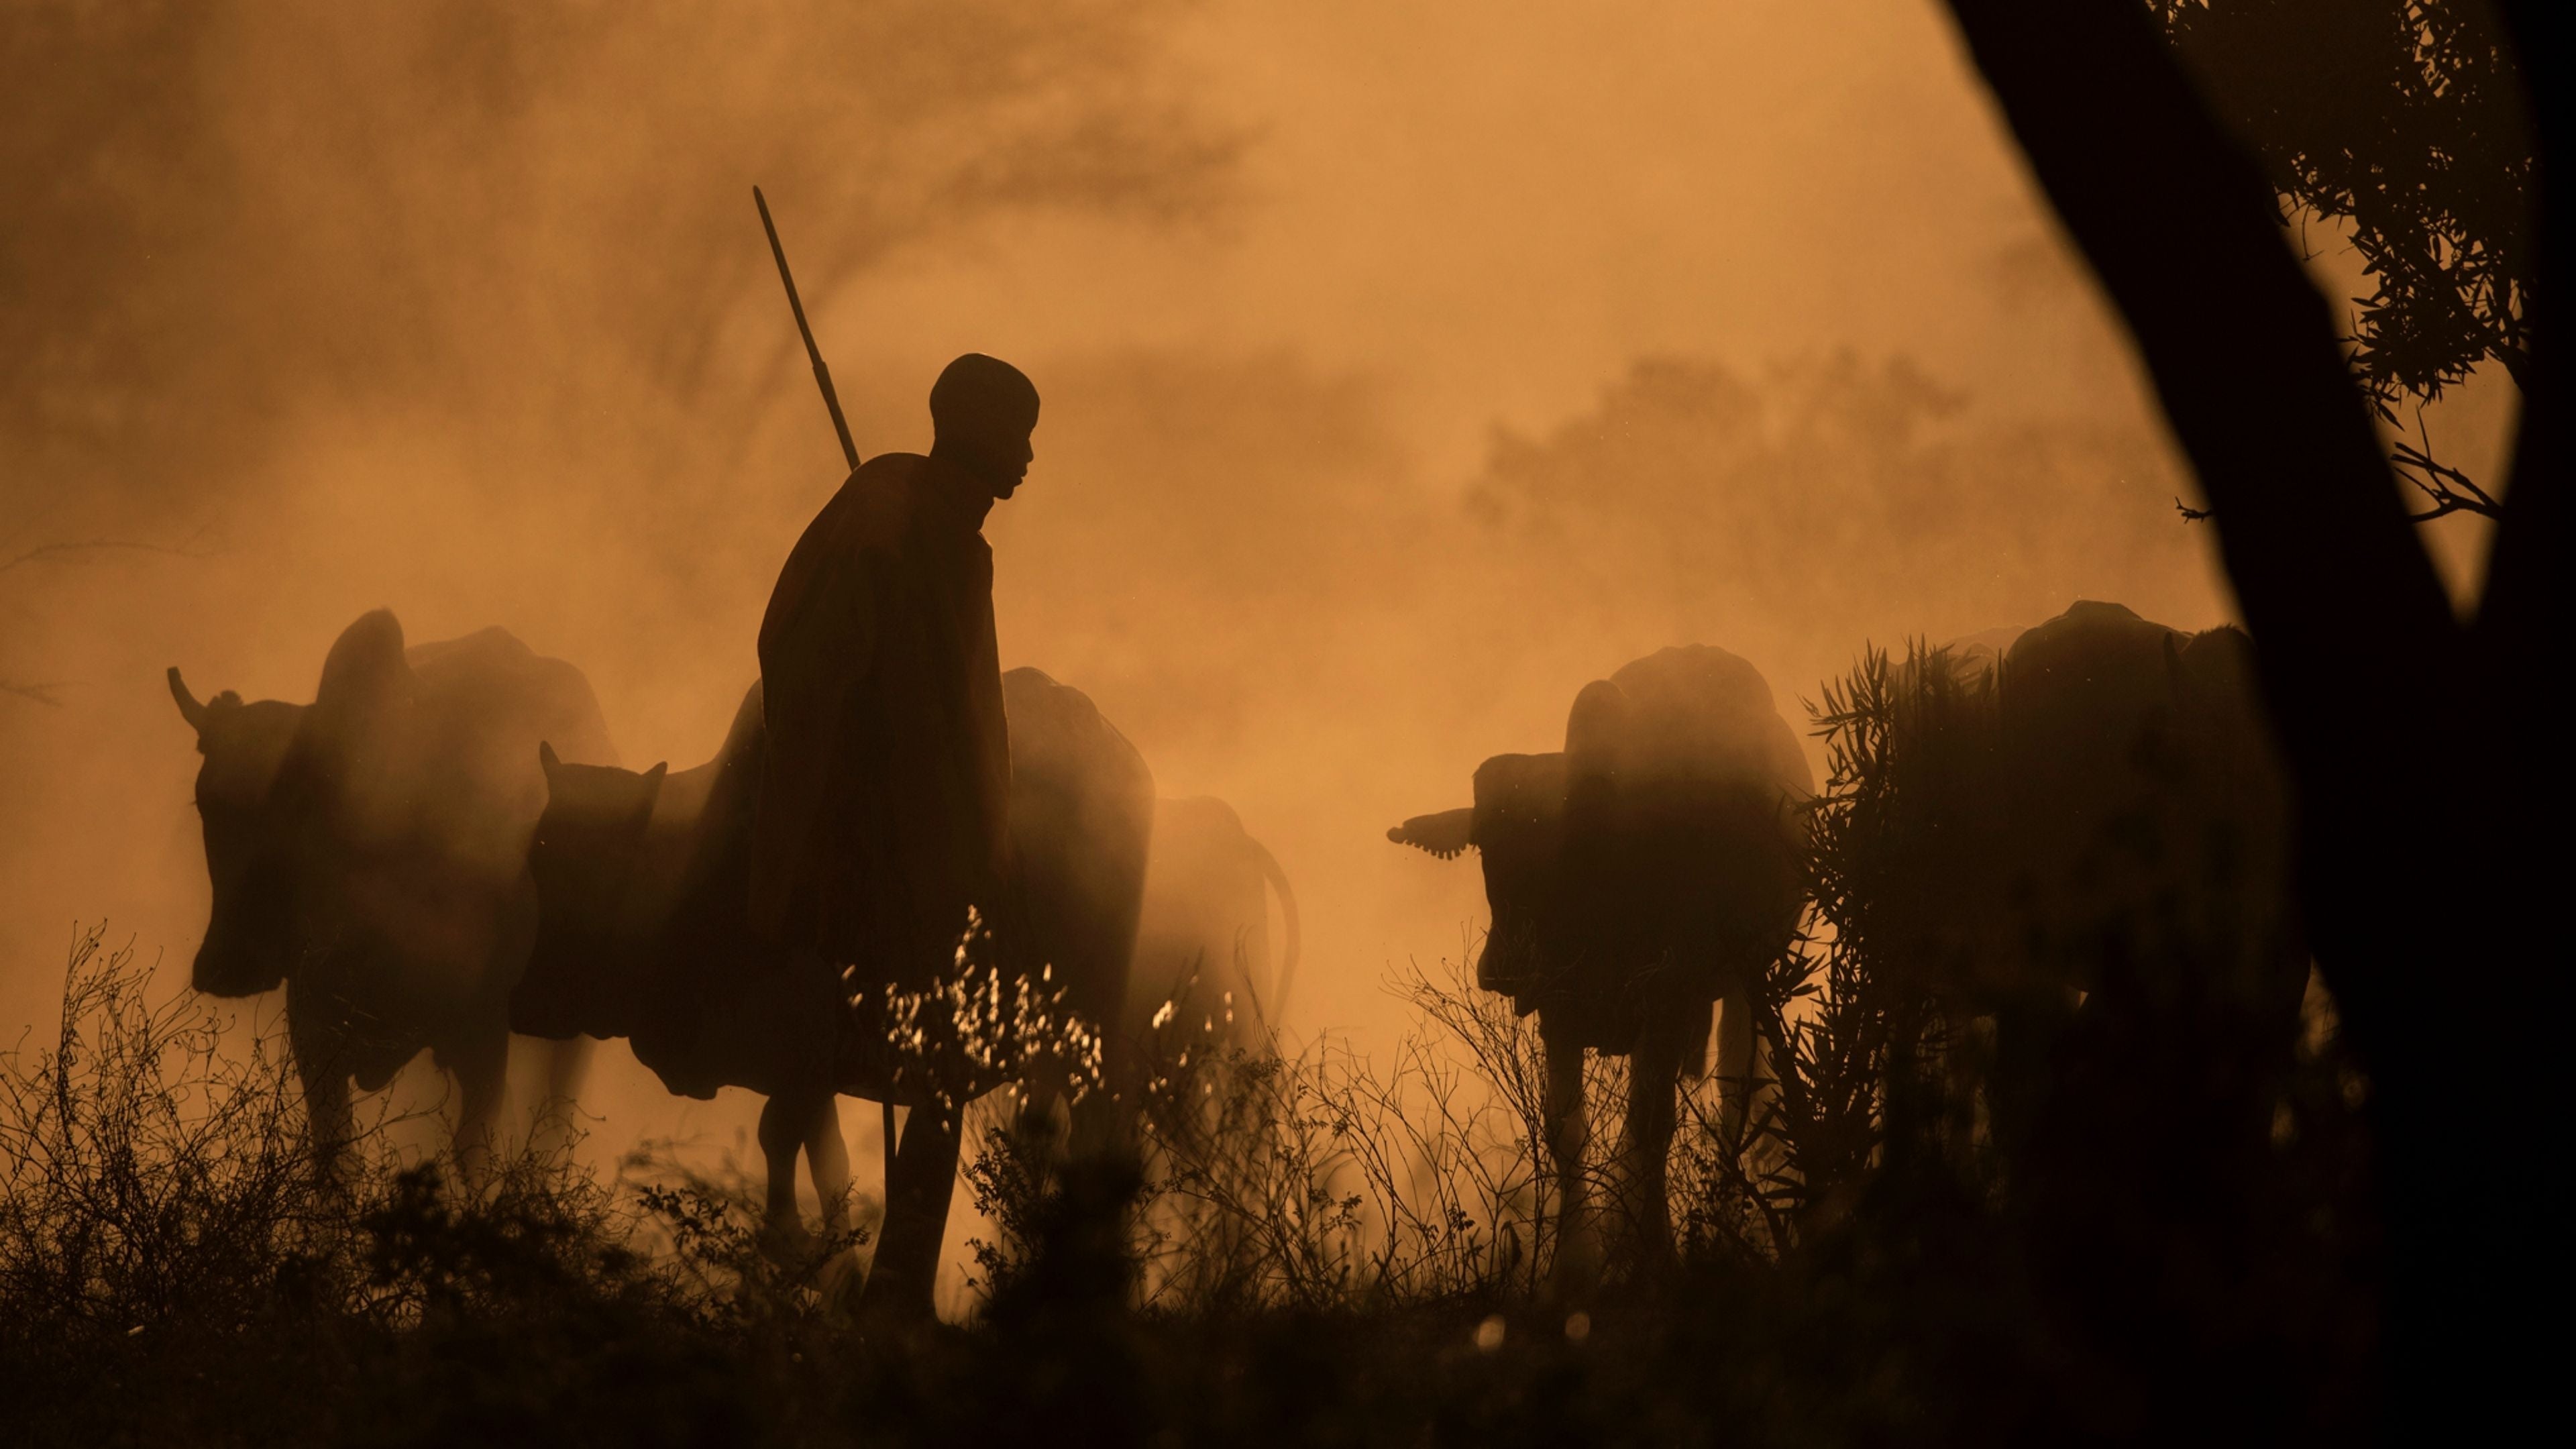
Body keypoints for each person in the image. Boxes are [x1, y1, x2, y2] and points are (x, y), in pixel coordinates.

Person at [748, 352, 1038, 1318]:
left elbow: (960, 708)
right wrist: (868, 778)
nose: (1031, 457)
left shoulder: (945, 535)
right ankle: (874, 1284)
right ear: (982, 437)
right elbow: (814, 684)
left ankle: (893, 1284)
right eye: (1020, 435)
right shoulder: (884, 530)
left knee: (942, 1065)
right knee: (931, 1063)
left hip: (929, 849)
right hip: (867, 854)